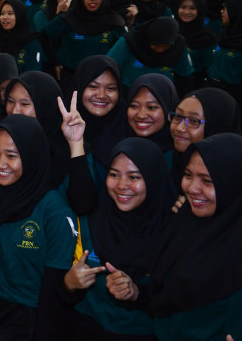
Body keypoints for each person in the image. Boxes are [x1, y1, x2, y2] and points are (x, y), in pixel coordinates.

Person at [0, 114, 77, 340]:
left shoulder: (54, 209)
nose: (0, 164)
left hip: (34, 316)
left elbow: (54, 288)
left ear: (32, 157)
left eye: (11, 156)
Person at [114, 133, 242, 340]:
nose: (192, 188)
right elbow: (170, 294)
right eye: (188, 175)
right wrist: (136, 292)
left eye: (207, 181)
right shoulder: (184, 220)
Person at [60, 137, 175, 340]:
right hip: (84, 328)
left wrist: (137, 293)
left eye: (134, 177)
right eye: (114, 174)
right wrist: (69, 284)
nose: (122, 185)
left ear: (153, 179)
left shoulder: (172, 232)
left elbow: (176, 300)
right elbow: (60, 294)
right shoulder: (89, 222)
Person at [43, 0, 125, 92]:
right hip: (71, 80)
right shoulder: (69, 18)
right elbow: (44, 36)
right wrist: (55, 63)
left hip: (102, 82)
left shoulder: (114, 21)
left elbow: (125, 48)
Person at [168, 87, 240, 189]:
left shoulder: (231, 182)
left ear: (217, 127)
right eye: (178, 117)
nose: (180, 128)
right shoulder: (170, 163)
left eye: (193, 121)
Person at [107, 17, 194, 92]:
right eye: (156, 45)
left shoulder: (178, 46)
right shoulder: (130, 41)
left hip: (163, 92)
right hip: (128, 91)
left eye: (166, 47)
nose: (160, 50)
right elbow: (108, 66)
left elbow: (185, 75)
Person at [176, 0, 218, 91]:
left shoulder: (207, 37)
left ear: (200, 10)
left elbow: (207, 69)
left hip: (195, 86)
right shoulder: (172, 31)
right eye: (183, 7)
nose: (186, 12)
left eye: (192, 8)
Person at [206, 0, 242, 108]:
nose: (222, 12)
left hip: (232, 100)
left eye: (225, 8)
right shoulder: (226, 35)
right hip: (212, 92)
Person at [0, 0, 43, 72]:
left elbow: (33, 71)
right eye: (2, 13)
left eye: (10, 13)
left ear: (19, 16)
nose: (4, 17)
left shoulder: (32, 42)